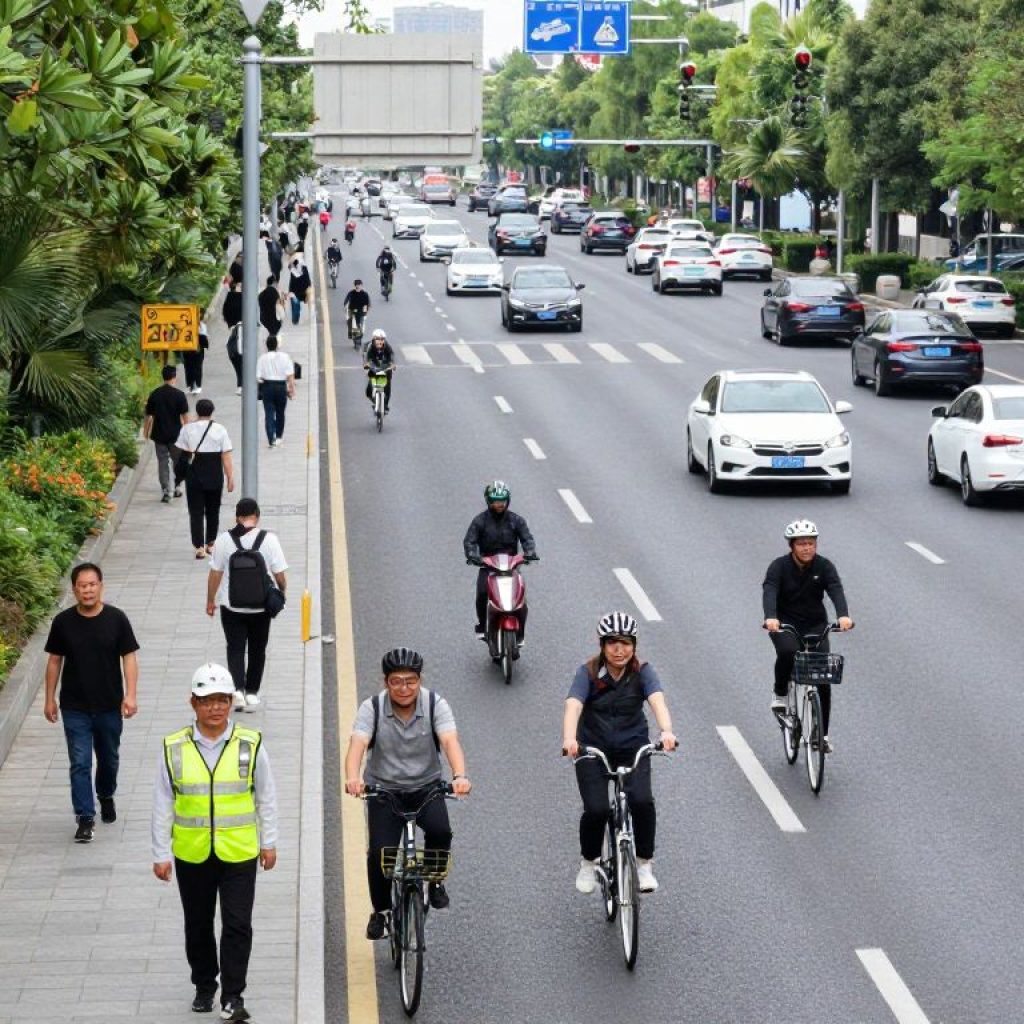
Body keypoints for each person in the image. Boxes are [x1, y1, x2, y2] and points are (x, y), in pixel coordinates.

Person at [152, 662, 277, 1021]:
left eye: (222, 700)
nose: (216, 707)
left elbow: (266, 796)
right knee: (198, 923)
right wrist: (160, 853)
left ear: (230, 702)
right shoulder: (174, 747)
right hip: (192, 853)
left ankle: (233, 996)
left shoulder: (250, 745)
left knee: (238, 923)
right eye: (207, 701)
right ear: (194, 703)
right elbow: (162, 803)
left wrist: (269, 842)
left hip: (239, 852)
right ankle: (205, 984)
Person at [343, 648, 471, 941]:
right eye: (397, 681)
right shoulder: (372, 708)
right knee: (379, 853)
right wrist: (353, 778)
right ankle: (382, 912)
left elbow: (450, 740)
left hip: (426, 787)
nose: (404, 688)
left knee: (441, 831)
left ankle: (435, 881)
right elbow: (357, 745)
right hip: (384, 791)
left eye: (411, 681)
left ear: (420, 679)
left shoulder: (434, 703)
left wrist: (460, 776)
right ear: (385, 681)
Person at [561, 613, 677, 895]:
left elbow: (657, 700)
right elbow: (573, 706)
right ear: (602, 645)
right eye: (612, 643)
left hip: (632, 747)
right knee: (597, 809)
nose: (619, 650)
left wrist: (666, 732)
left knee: (642, 802)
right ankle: (589, 863)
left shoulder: (643, 672)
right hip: (593, 749)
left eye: (625, 643)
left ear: (634, 645)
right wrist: (569, 739)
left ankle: (643, 864)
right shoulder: (587, 672)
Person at [44, 563, 140, 843]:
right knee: (80, 762)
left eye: (92, 584)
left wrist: (130, 694)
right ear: (74, 590)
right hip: (75, 707)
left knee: (109, 758)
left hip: (109, 704)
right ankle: (85, 817)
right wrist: (49, 698)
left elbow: (129, 657)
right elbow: (54, 660)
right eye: (81, 586)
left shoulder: (116, 619)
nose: (87, 590)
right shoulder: (63, 622)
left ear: (101, 586)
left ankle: (106, 794)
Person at [763, 519, 853, 752]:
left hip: (815, 624)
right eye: (802, 543)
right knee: (787, 651)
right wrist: (771, 617)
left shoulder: (824, 566)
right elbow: (770, 590)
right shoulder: (779, 567)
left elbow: (835, 589)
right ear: (792, 545)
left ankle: (820, 736)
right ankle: (781, 694)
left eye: (811, 543)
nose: (807, 548)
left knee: (823, 676)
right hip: (785, 623)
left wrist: (843, 615)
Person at [207, 498, 288, 710]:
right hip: (260, 607)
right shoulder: (269, 540)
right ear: (257, 517)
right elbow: (280, 576)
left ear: (237, 517)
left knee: (235, 648)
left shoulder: (224, 540)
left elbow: (215, 573)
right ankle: (252, 692)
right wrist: (281, 594)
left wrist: (210, 600)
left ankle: (238, 690)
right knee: (257, 649)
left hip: (231, 606)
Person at [463, 481, 537, 637]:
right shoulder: (479, 521)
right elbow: (470, 541)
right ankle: (483, 625)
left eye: (502, 500)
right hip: (488, 566)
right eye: (496, 501)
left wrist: (529, 551)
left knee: (521, 599)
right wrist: (473, 555)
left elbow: (527, 539)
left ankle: (520, 632)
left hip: (511, 566)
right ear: (489, 501)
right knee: (482, 593)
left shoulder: (516, 520)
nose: (500, 504)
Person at [176, 399, 235, 560]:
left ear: (197, 412)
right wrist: (230, 477)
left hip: (194, 473)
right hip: (214, 472)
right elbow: (226, 456)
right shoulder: (220, 429)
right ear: (212, 412)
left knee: (195, 511)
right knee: (213, 509)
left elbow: (183, 453)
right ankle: (211, 543)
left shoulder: (187, 429)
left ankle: (198, 547)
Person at [143, 364, 189, 503]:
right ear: (174, 377)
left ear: (163, 377)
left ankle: (165, 490)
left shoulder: (155, 394)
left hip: (159, 435)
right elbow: (185, 417)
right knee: (178, 461)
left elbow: (148, 416)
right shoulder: (179, 395)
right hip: (176, 435)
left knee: (162, 462)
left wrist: (146, 432)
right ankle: (177, 487)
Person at [256, 337, 296, 447]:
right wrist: (292, 389)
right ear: (277, 345)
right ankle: (279, 436)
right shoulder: (285, 357)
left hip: (267, 386)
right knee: (280, 412)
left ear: (266, 346)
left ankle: (271, 438)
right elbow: (290, 375)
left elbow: (258, 377)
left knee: (269, 412)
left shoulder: (262, 358)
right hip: (281, 386)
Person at [362, 328, 395, 414]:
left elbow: (392, 356)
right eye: (377, 339)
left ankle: (385, 406)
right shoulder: (370, 347)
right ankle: (376, 402)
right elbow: (366, 358)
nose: (379, 341)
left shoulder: (387, 346)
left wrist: (392, 364)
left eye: (382, 339)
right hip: (374, 368)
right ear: (373, 339)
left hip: (385, 368)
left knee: (387, 388)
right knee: (368, 391)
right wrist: (366, 364)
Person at [183, 319, 209, 395]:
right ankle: (190, 385)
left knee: (197, 367)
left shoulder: (201, 325)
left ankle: (198, 385)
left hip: (198, 349)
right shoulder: (184, 324)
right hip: (187, 349)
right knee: (188, 367)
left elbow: (204, 337)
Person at [257, 275, 283, 341]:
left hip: (263, 319)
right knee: (275, 338)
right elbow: (279, 307)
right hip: (274, 321)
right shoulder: (275, 292)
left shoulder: (261, 294)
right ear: (274, 283)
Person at [287, 258, 311, 326]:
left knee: (296, 307)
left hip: (299, 291)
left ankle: (295, 320)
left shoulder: (303, 269)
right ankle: (295, 320)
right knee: (296, 307)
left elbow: (308, 280)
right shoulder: (296, 269)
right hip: (295, 292)